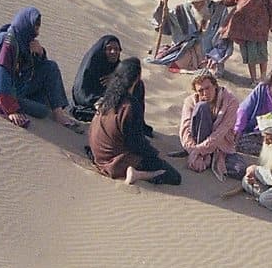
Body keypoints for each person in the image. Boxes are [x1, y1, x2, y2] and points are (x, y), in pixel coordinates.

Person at [0, 6, 82, 132]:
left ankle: (59, 115)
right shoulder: (8, 42)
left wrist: (40, 53)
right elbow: (0, 77)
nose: (37, 32)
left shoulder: (23, 40)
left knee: (50, 67)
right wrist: (11, 110)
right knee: (42, 110)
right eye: (35, 28)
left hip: (15, 83)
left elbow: (32, 68)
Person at [87, 58, 182, 186]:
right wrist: (154, 154)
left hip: (98, 156)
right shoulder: (129, 107)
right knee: (173, 176)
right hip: (116, 163)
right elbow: (135, 143)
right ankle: (138, 174)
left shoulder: (107, 99)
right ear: (137, 78)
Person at [70, 35, 153, 139]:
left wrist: (116, 80)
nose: (114, 52)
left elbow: (128, 88)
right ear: (102, 50)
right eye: (109, 49)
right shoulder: (91, 65)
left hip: (112, 105)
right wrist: (100, 102)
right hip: (90, 105)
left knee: (138, 84)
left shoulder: (118, 68)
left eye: (117, 49)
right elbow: (81, 94)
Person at [173, 71, 245, 179]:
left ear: (215, 86)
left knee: (240, 170)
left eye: (208, 88)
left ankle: (207, 160)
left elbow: (221, 131)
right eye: (201, 91)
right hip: (196, 142)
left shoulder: (230, 101)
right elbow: (185, 129)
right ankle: (202, 159)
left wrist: (198, 150)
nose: (205, 93)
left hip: (220, 146)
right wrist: (193, 150)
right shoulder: (190, 101)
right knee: (202, 107)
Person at [148, 0, 232, 75]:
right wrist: (162, 2)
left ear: (206, 1)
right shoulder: (181, 11)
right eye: (194, 4)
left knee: (212, 72)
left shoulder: (220, 11)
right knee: (169, 64)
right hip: (186, 51)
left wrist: (214, 57)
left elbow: (224, 39)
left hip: (209, 54)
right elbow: (162, 22)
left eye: (200, 3)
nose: (197, 6)